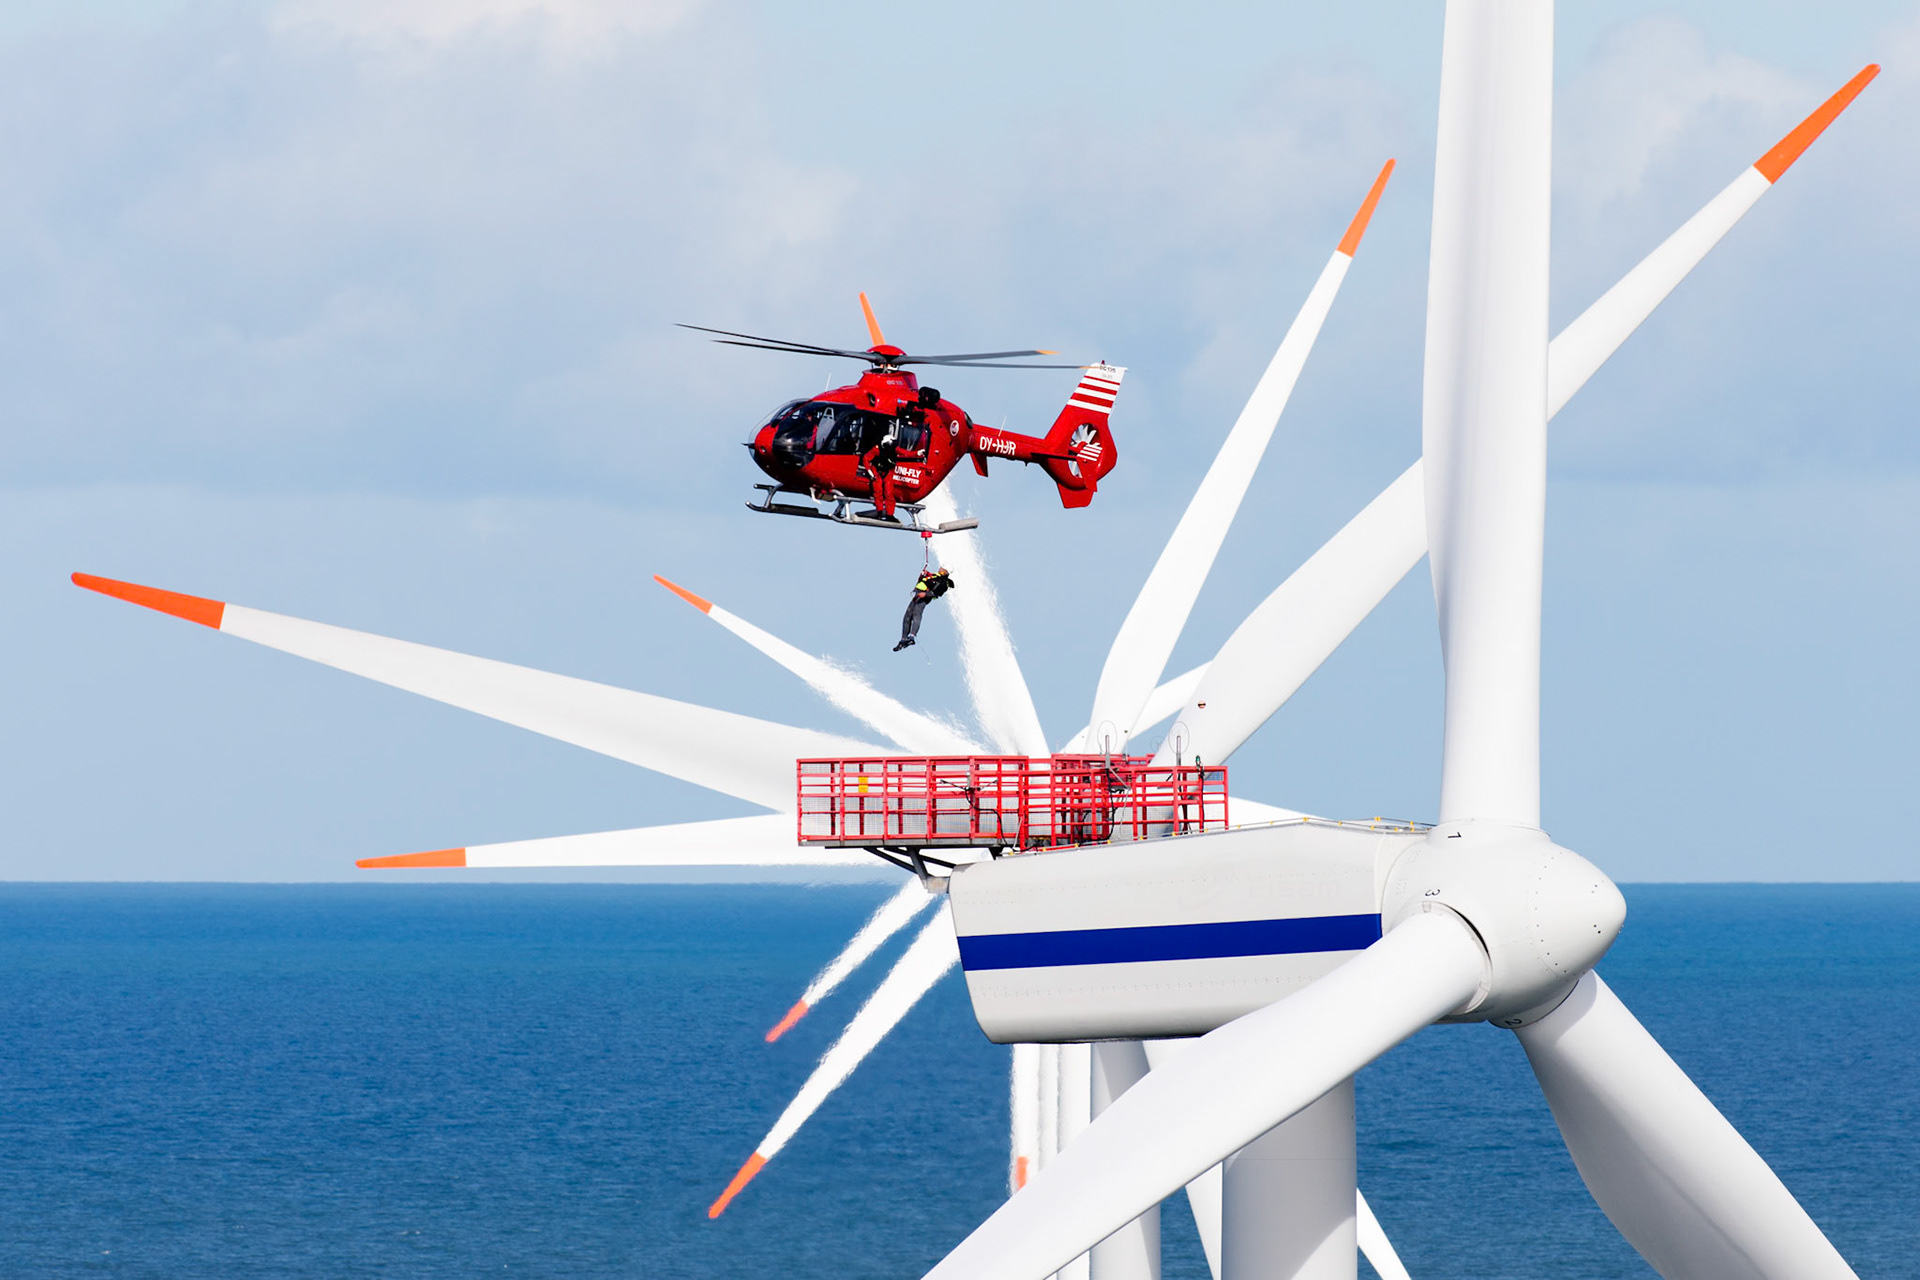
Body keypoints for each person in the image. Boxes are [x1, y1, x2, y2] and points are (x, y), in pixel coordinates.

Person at [894, 567, 954, 651]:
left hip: (923, 597)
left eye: (942, 568)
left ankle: (912, 637)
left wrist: (926, 594)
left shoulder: (943, 581)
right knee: (907, 617)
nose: (940, 568)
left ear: (945, 572)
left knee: (916, 614)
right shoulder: (933, 576)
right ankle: (903, 639)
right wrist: (923, 575)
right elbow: (924, 581)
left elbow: (937, 593)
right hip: (918, 594)